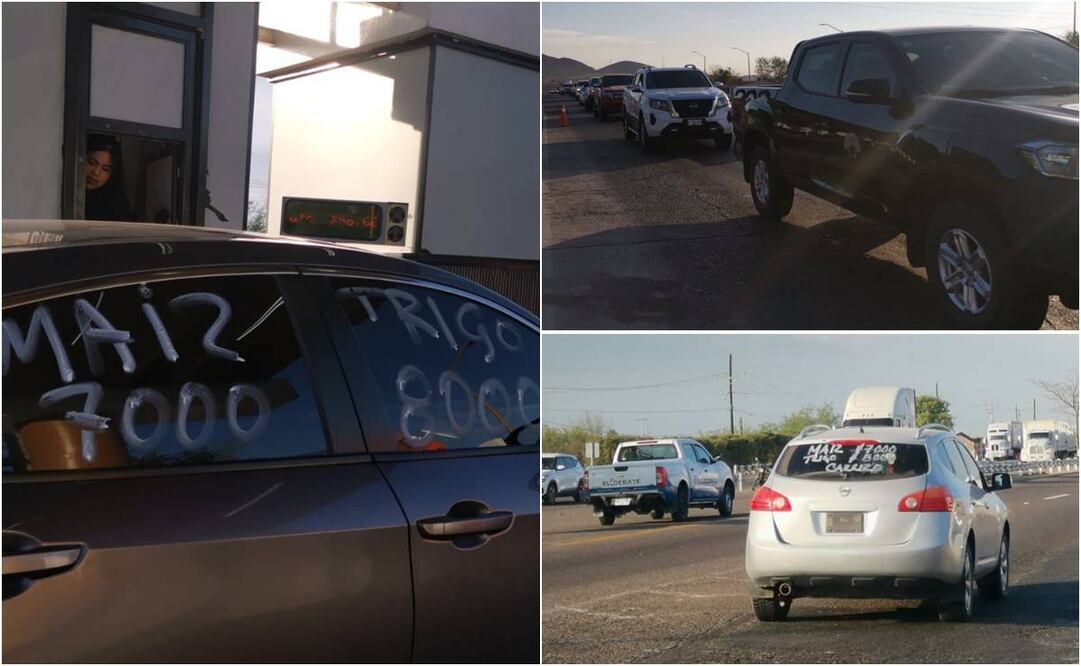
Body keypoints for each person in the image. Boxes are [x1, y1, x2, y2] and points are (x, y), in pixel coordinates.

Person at [84, 134, 135, 222]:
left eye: (105, 169)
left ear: (112, 174)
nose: (96, 172)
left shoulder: (118, 210)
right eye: (91, 162)